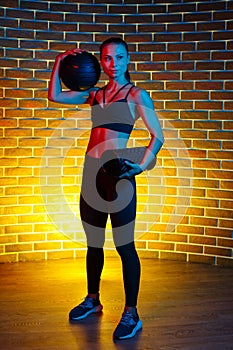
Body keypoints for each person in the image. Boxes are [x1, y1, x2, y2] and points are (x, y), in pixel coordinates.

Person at [48, 37, 164, 340]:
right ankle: (93, 300)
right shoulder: (95, 95)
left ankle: (131, 313)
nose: (114, 64)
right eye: (108, 59)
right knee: (94, 242)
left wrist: (141, 165)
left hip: (118, 172)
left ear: (128, 60)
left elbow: (158, 137)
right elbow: (55, 96)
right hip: (91, 173)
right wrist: (61, 60)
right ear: (102, 63)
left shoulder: (137, 95)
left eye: (120, 58)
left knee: (124, 245)